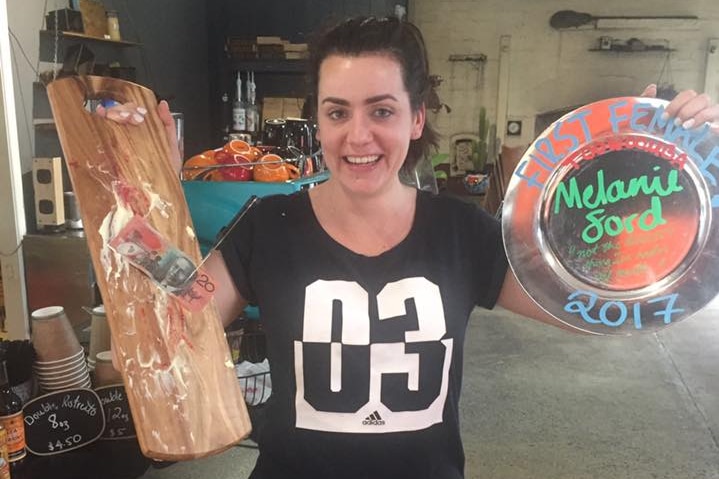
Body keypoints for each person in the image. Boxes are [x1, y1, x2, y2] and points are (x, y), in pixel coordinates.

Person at [100, 16, 719, 479]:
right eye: (337, 111)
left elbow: (591, 311)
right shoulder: (270, 225)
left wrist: (675, 178)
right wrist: (145, 201)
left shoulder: (462, 232)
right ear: (317, 118)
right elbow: (177, 326)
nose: (358, 135)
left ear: (417, 118)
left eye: (382, 110)